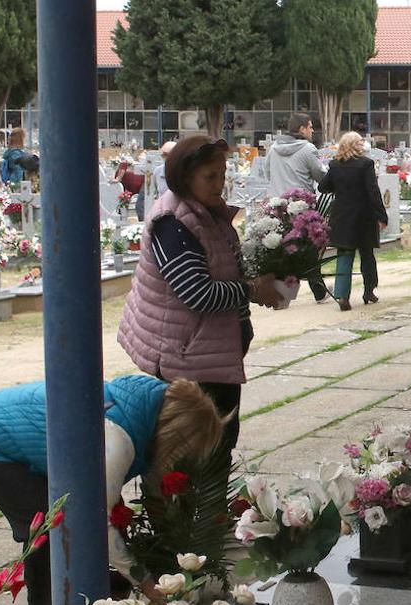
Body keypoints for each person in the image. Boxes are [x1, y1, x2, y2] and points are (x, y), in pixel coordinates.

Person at [0, 376, 226, 605]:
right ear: (174, 435)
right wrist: (144, 583)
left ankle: (79, 593)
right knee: (49, 527)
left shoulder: (146, 403)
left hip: (7, 420)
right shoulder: (117, 439)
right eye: (184, 451)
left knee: (72, 521)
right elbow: (100, 520)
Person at [118, 136, 282, 455]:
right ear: (185, 176)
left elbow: (222, 268)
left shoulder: (206, 213)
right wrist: (251, 290)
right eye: (211, 176)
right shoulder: (174, 222)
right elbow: (197, 293)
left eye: (223, 174)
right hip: (187, 360)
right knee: (193, 455)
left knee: (217, 447)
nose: (220, 184)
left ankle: (212, 506)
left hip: (208, 354)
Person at [319, 131, 388, 311]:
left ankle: (342, 295)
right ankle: (369, 291)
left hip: (342, 217)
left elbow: (323, 187)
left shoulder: (335, 165)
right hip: (364, 217)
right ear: (354, 145)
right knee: (367, 256)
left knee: (344, 255)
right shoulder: (366, 164)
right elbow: (373, 192)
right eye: (360, 141)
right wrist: (382, 215)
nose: (363, 144)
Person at [268, 113, 330, 304]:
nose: (312, 130)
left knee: (284, 249)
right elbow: (320, 176)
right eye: (310, 127)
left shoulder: (273, 149)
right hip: (303, 207)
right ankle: (319, 291)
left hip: (279, 207)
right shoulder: (307, 148)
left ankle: (282, 295)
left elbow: (266, 172)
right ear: (302, 129)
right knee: (309, 249)